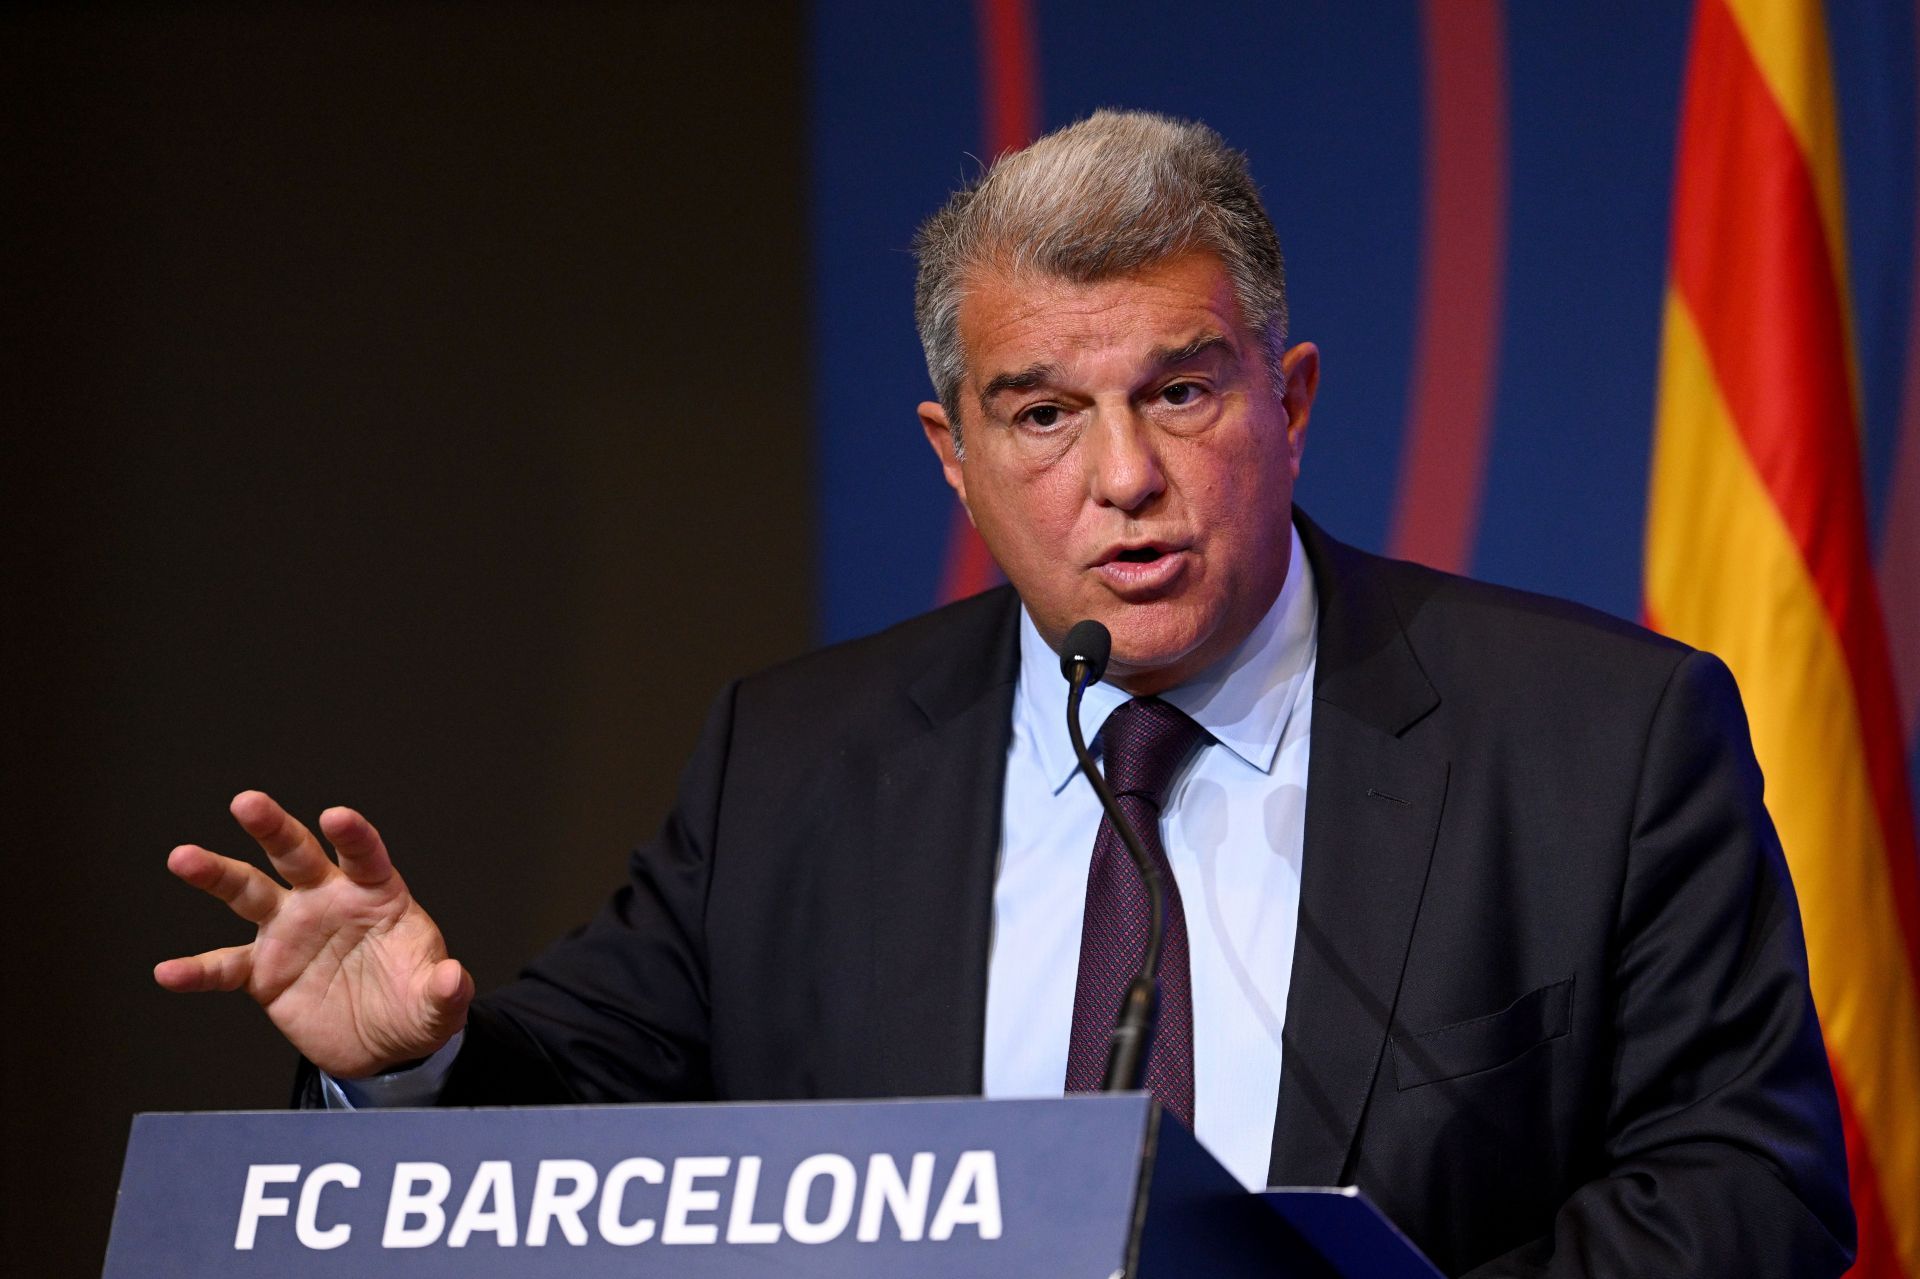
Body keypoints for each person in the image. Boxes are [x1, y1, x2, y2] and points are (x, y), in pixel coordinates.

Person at [156, 110, 1853, 1276]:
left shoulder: (1597, 737)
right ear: (952, 457)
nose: (1125, 477)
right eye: (1043, 415)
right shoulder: (800, 763)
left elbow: (1749, 1195)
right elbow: (588, 1137)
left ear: (1294, 400)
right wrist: (412, 1068)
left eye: (1181, 391)